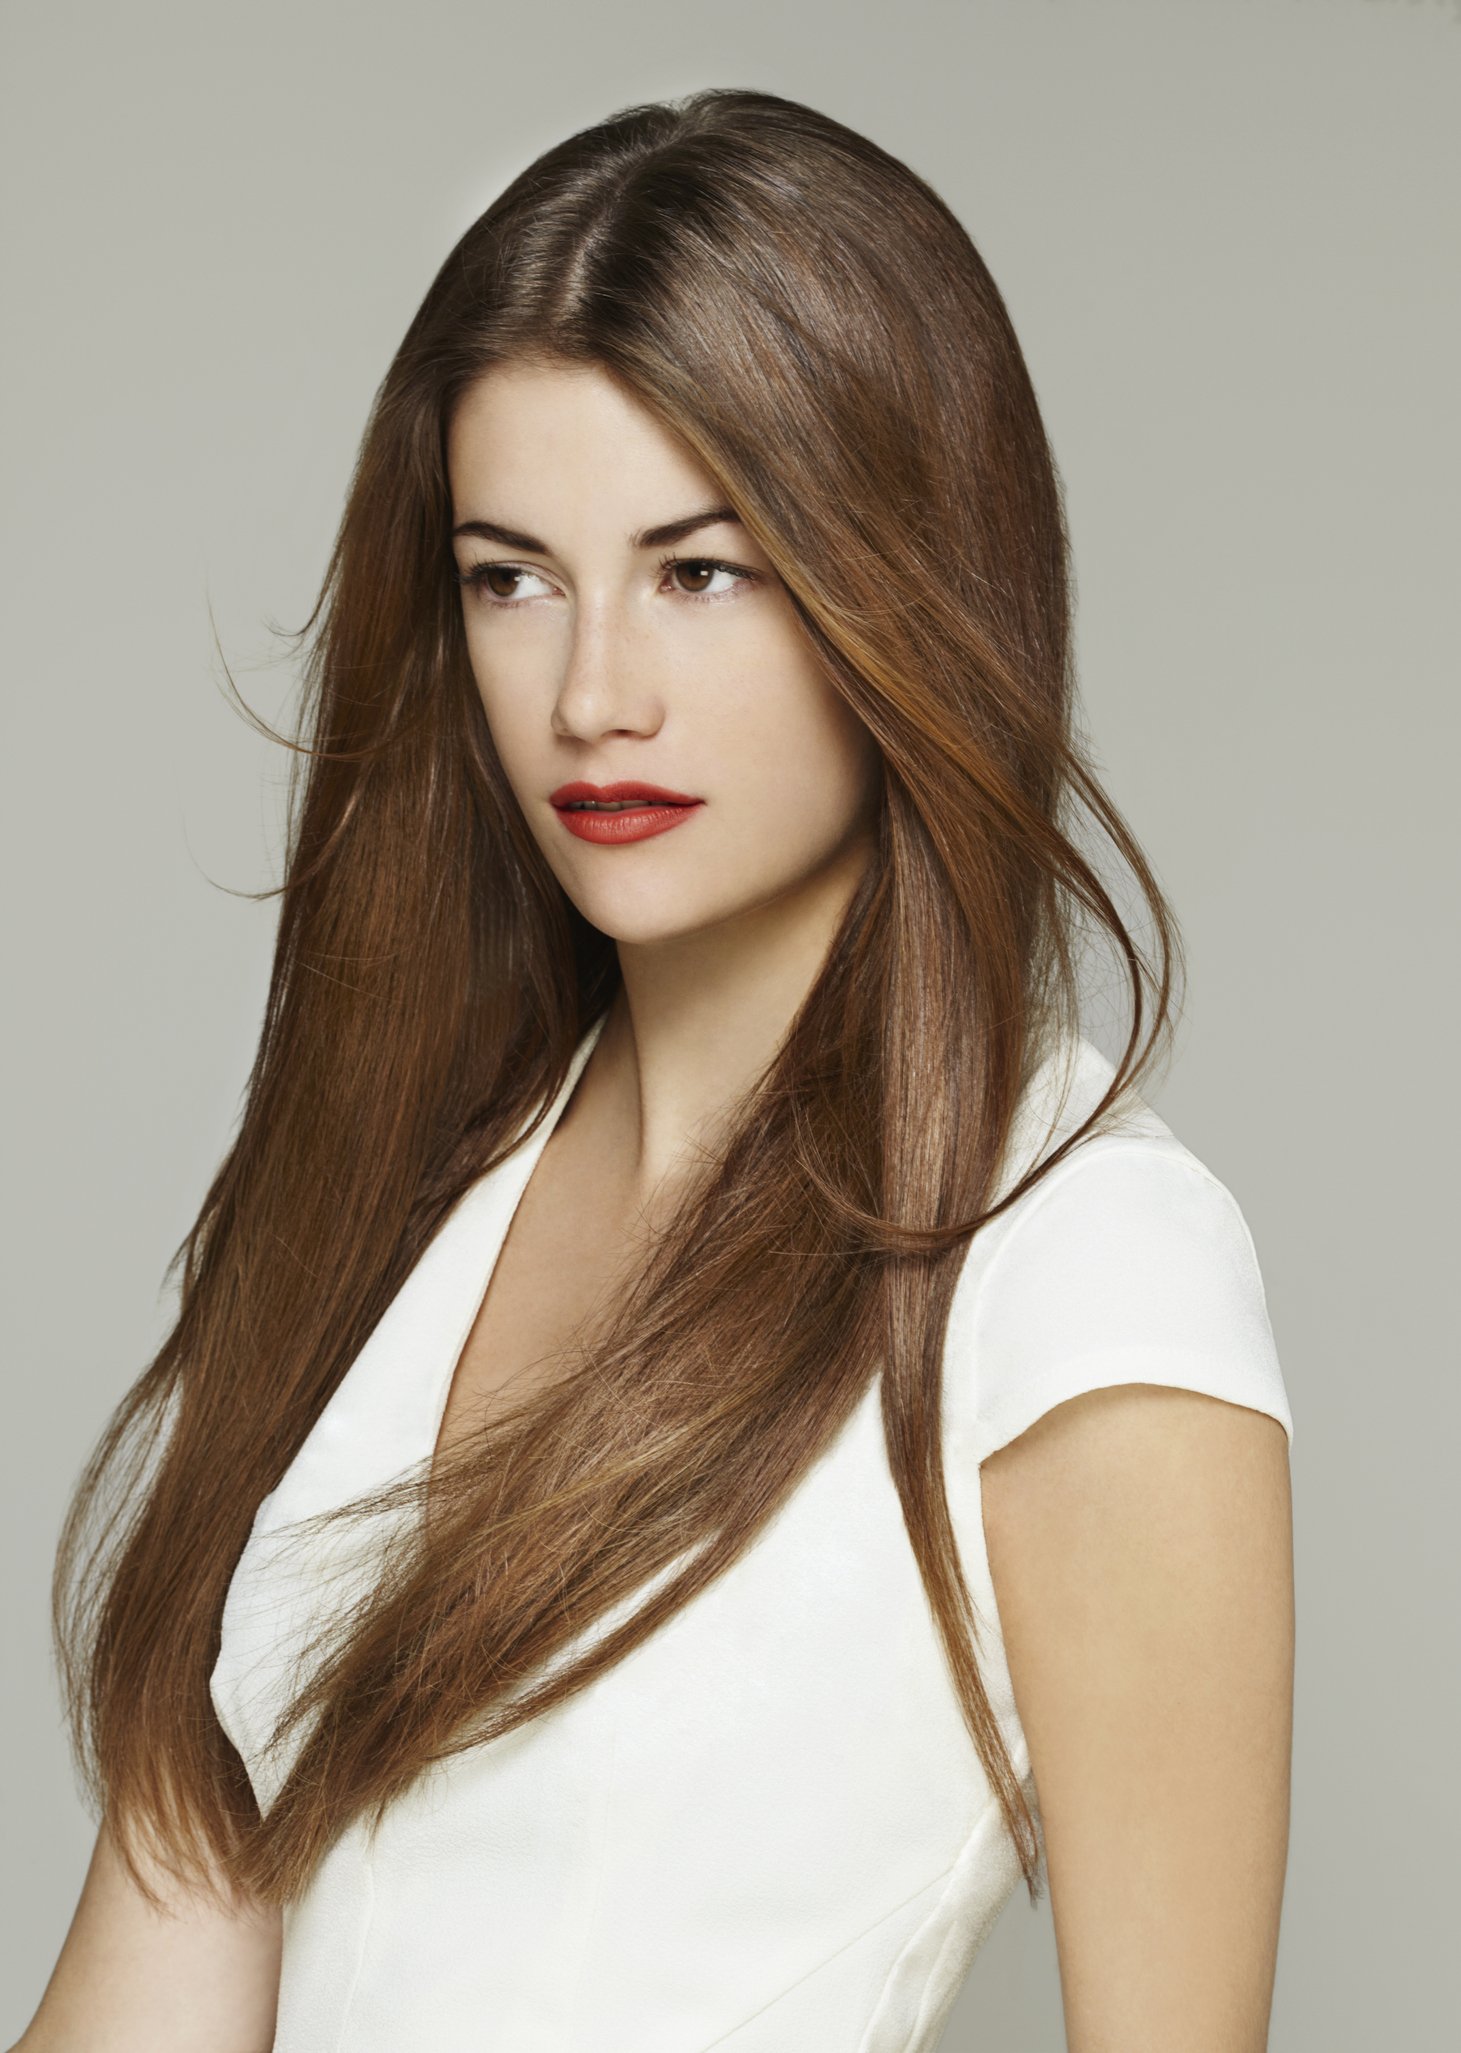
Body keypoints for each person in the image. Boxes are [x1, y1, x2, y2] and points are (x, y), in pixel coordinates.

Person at [17, 86, 1295, 2053]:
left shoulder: (1080, 1265)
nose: (589, 690)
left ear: (906, 581)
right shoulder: (403, 1189)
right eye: (508, 576)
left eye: (701, 570)